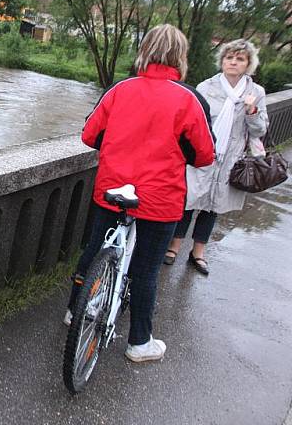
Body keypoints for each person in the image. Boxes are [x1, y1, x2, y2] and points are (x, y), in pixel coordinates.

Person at [65, 24, 215, 363]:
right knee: (146, 271)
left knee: (93, 251)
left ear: (144, 50)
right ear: (181, 57)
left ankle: (74, 312)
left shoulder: (120, 88)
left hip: (113, 188)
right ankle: (139, 343)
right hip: (160, 199)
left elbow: (90, 135)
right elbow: (204, 155)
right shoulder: (191, 99)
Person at [164, 39, 268, 275]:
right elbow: (192, 121)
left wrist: (252, 112)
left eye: (240, 58)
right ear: (222, 61)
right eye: (229, 57)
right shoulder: (207, 87)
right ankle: (174, 246)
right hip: (204, 153)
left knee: (213, 207)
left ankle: (198, 252)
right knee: (189, 202)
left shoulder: (256, 93)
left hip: (231, 160)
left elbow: (260, 130)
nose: (233, 62)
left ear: (248, 64)